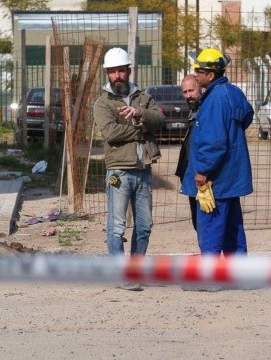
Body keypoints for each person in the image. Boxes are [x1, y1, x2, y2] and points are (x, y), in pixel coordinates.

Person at [93, 47, 164, 291]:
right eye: (112, 72)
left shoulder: (143, 97)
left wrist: (140, 113)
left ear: (129, 71)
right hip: (118, 172)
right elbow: (111, 133)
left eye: (121, 71)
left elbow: (160, 120)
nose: (117, 76)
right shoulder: (102, 103)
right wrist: (142, 128)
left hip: (143, 170)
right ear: (107, 74)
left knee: (144, 225)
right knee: (116, 226)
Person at [181, 48, 253, 256]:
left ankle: (210, 274)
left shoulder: (214, 100)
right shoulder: (234, 92)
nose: (195, 74)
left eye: (199, 71)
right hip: (232, 178)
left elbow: (214, 142)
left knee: (211, 232)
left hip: (216, 181)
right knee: (233, 232)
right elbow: (247, 116)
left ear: (211, 75)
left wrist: (203, 171)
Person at [174, 74, 201, 231]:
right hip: (190, 173)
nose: (188, 95)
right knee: (197, 222)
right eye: (185, 92)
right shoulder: (193, 110)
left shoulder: (207, 109)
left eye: (191, 90)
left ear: (201, 88)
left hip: (203, 174)